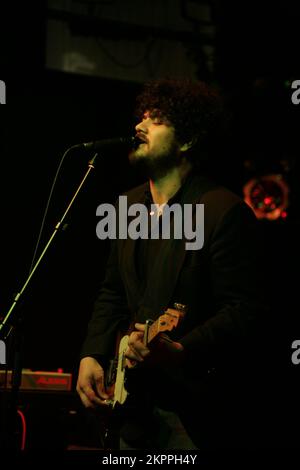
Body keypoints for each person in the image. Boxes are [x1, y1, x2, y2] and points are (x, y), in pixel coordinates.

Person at [76, 79, 267, 449]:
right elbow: (112, 292)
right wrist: (92, 352)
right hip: (132, 409)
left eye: (156, 119)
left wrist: (183, 350)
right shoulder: (127, 207)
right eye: (141, 116)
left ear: (187, 139)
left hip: (192, 413)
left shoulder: (222, 212)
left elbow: (246, 309)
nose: (139, 126)